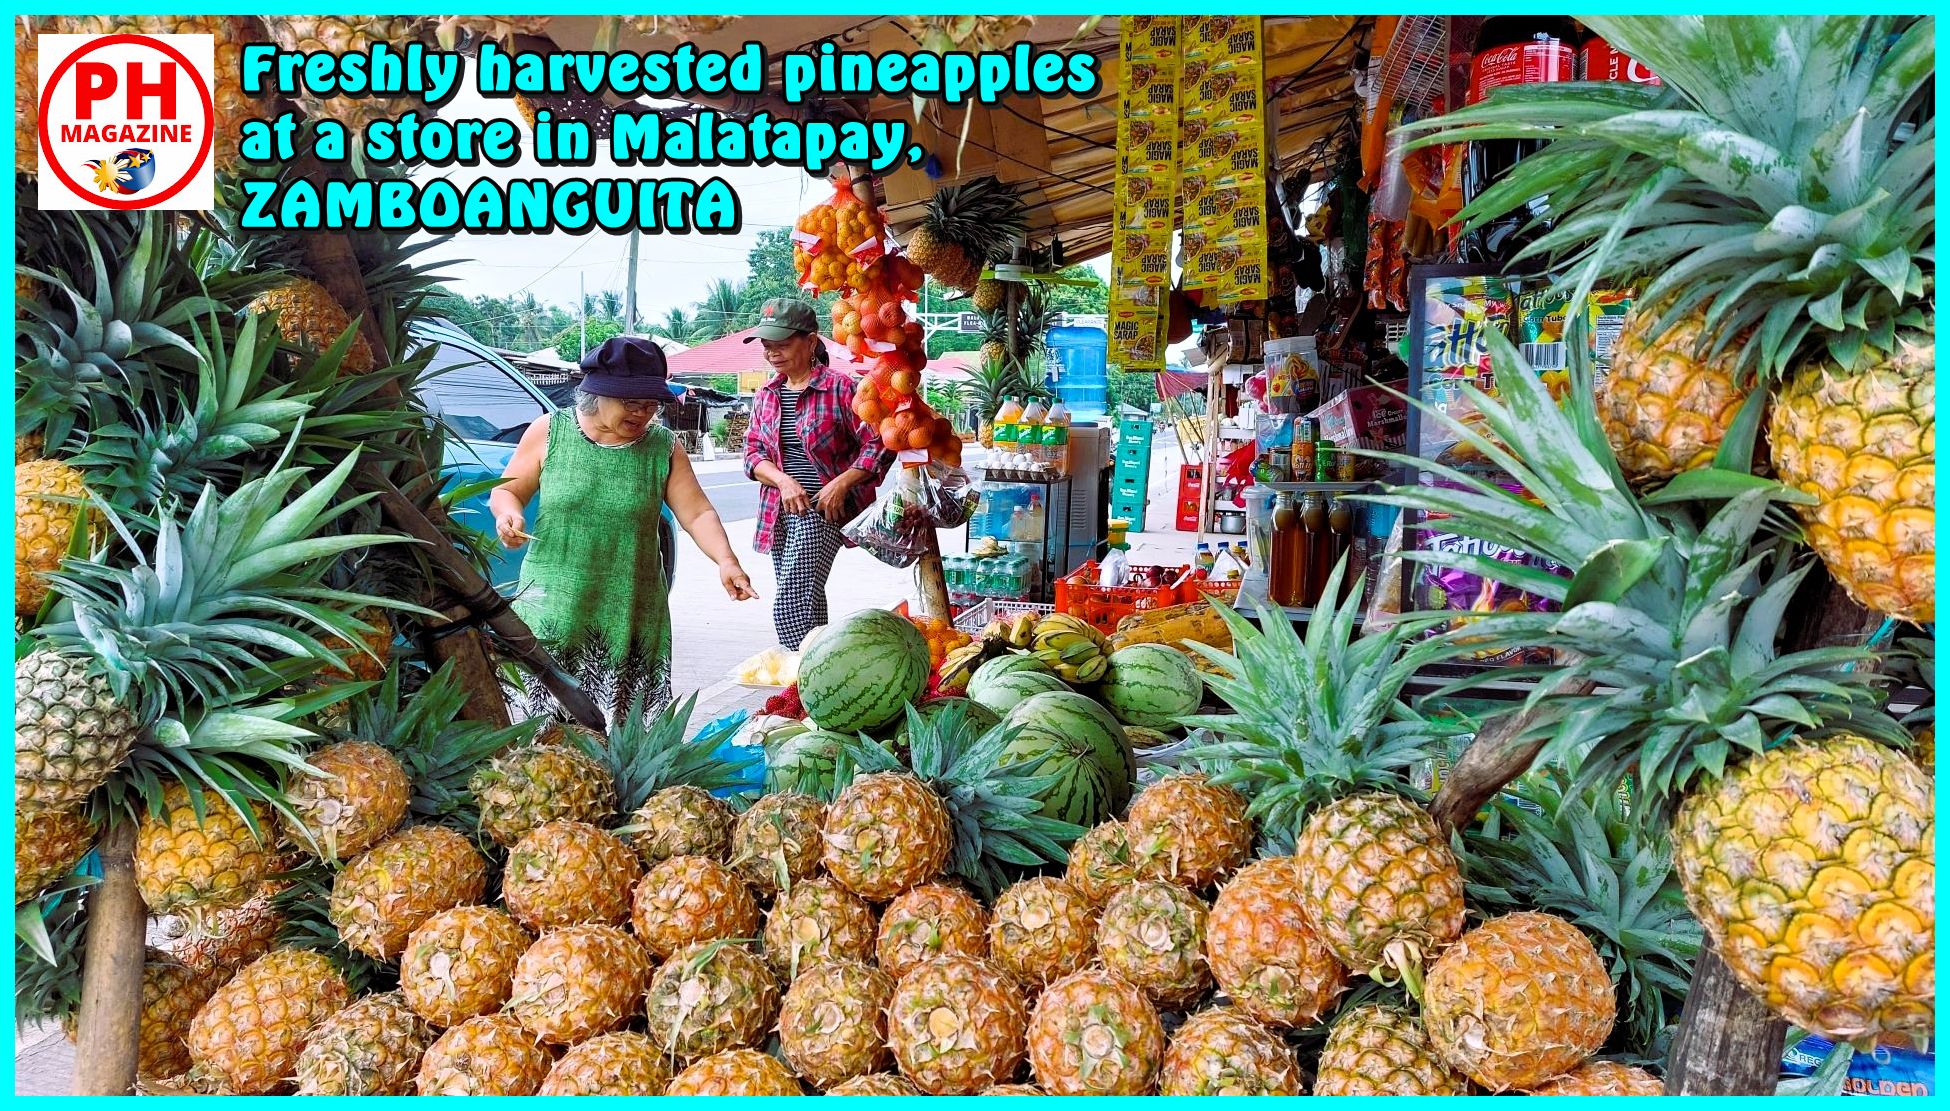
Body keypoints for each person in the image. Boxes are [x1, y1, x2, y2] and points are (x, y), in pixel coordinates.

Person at [492, 335, 756, 724]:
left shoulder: (662, 447)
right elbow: (507, 490)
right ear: (596, 394)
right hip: (552, 610)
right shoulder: (550, 432)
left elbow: (697, 513)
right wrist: (507, 515)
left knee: (620, 741)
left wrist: (726, 560)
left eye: (650, 403)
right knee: (543, 737)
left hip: (629, 613)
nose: (642, 412)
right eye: (630, 401)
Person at [742, 297, 891, 650]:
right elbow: (752, 454)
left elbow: (878, 443)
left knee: (790, 603)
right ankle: (821, 676)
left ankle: (797, 672)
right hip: (778, 511)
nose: (772, 352)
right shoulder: (766, 394)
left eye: (781, 343)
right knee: (807, 597)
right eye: (767, 345)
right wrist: (782, 480)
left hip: (822, 510)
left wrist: (842, 482)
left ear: (810, 341)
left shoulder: (841, 388)